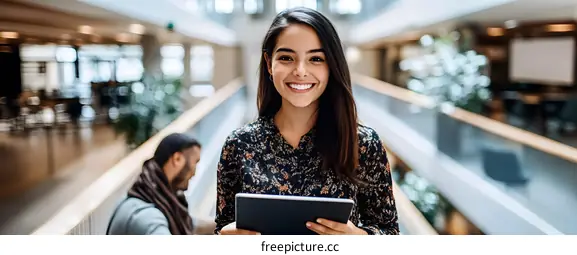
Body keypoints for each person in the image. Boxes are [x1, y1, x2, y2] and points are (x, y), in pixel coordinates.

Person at [214, 7, 399, 235]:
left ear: (331, 66)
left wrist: (361, 239)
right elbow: (222, 229)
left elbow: (390, 233)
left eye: (316, 59)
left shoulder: (364, 144)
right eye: (286, 58)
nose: (300, 71)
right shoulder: (239, 144)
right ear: (269, 63)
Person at [107, 133, 202, 235]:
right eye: (195, 163)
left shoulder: (149, 193)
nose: (194, 173)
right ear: (177, 159)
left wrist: (218, 223)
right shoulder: (148, 218)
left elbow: (188, 223)